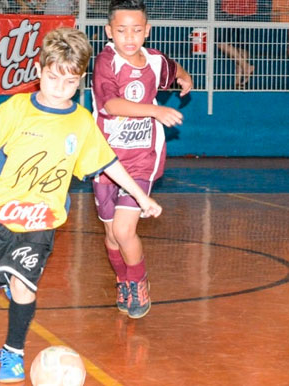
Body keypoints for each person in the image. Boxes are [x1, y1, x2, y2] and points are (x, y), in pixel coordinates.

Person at [0, 27, 163, 383]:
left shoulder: (82, 122)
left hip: (42, 217)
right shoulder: (17, 108)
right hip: (0, 210)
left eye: (70, 82)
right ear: (39, 70)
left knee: (24, 287)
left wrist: (141, 195)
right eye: (53, 78)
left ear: (80, 81)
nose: (59, 88)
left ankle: (12, 353)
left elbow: (108, 162)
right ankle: (3, 279)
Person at [91, 0, 192, 319]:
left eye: (137, 30)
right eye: (121, 30)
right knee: (110, 234)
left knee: (123, 230)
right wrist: (155, 109)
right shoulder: (106, 62)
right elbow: (110, 104)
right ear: (109, 31)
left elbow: (173, 68)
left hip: (142, 158)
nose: (129, 37)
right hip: (105, 160)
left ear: (147, 31)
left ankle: (138, 282)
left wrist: (185, 78)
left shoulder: (155, 60)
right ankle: (124, 279)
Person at [217, 0, 257, 88]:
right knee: (242, 46)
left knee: (220, 43)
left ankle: (245, 67)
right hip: (247, 9)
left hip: (232, 8)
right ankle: (238, 80)